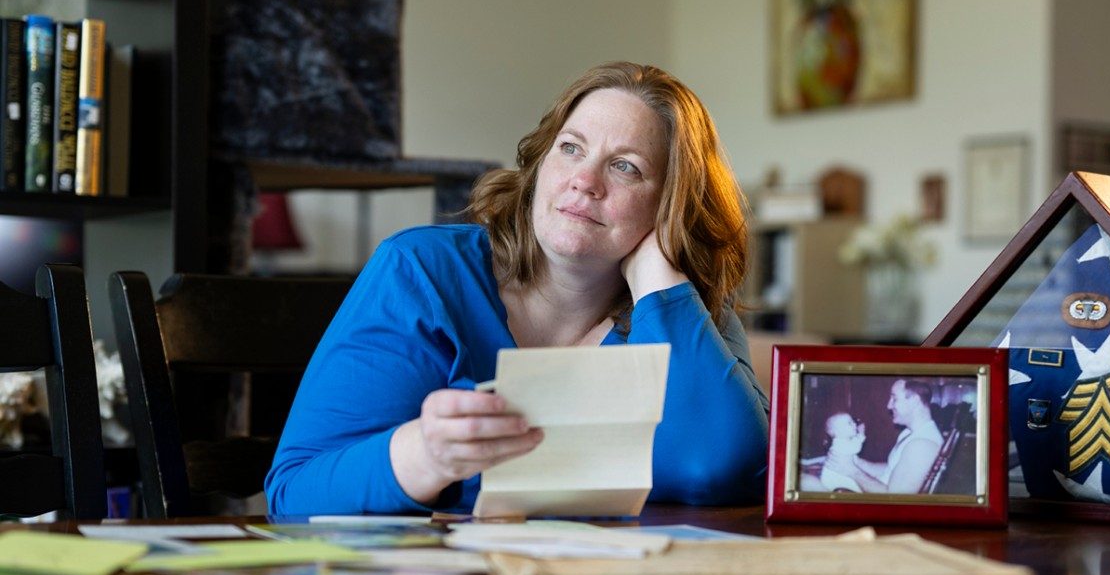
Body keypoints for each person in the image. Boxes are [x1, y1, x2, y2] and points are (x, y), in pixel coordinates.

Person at [264, 62, 769, 515]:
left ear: (672, 205)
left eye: (626, 167)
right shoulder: (423, 273)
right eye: (570, 148)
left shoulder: (684, 308)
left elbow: (733, 467)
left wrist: (659, 280)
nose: (584, 180)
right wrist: (426, 455)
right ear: (539, 165)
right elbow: (294, 494)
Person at [841, 379, 943, 494]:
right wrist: (856, 462)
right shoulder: (910, 433)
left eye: (894, 399)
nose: (889, 406)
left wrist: (851, 471)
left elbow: (894, 498)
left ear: (914, 401)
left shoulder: (922, 445)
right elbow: (891, 470)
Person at [799, 412, 865, 492]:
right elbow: (856, 447)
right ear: (837, 432)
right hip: (835, 478)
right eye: (849, 423)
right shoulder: (840, 443)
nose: (854, 424)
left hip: (838, 474)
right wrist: (861, 433)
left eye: (853, 421)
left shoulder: (844, 440)